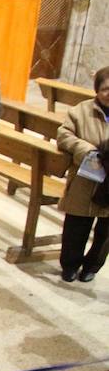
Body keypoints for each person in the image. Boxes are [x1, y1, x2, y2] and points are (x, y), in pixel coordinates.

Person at [56, 66, 109, 282]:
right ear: (97, 90)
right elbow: (63, 134)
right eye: (106, 89)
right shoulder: (81, 111)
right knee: (76, 226)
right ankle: (70, 265)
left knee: (105, 233)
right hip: (85, 179)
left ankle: (92, 267)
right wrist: (85, 149)